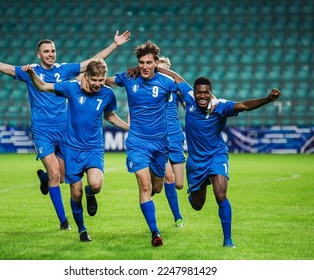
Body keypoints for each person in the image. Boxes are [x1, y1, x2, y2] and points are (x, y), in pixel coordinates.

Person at [0, 30, 131, 232]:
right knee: (54, 172)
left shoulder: (64, 70)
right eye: (46, 51)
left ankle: (45, 180)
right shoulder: (29, 71)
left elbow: (92, 63)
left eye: (53, 51)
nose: (50, 54)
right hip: (43, 131)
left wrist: (115, 45)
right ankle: (63, 221)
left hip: (65, 131)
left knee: (60, 177)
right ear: (39, 55)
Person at [155, 66, 282, 248]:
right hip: (196, 162)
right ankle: (198, 188)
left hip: (216, 156)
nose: (202, 96)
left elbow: (245, 105)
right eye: (199, 92)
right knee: (197, 205)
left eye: (206, 93)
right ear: (194, 92)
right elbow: (175, 77)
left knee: (221, 194)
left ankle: (228, 240)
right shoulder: (188, 97)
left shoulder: (220, 106)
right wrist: (154, 67)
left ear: (211, 93)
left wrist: (268, 99)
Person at [23, 58, 129, 242]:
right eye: (94, 79)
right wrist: (32, 73)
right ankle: (82, 229)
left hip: (94, 148)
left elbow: (109, 116)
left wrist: (129, 128)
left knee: (95, 185)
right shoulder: (71, 88)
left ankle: (91, 194)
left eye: (101, 80)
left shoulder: (107, 94)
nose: (97, 84)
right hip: (72, 150)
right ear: (86, 76)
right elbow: (43, 87)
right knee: (76, 194)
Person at [104, 41, 178, 247]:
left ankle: (150, 199)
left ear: (156, 63)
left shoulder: (167, 83)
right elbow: (107, 81)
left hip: (160, 144)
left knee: (157, 186)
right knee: (144, 185)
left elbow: (185, 91)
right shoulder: (129, 78)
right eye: (141, 62)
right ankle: (155, 232)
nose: (144, 66)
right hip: (137, 142)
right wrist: (88, 79)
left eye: (148, 62)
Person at [156, 56, 185, 228]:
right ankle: (178, 217)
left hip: (175, 135)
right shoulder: (152, 88)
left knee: (179, 184)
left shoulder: (176, 88)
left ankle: (153, 184)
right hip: (159, 136)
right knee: (169, 176)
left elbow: (189, 105)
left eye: (165, 70)